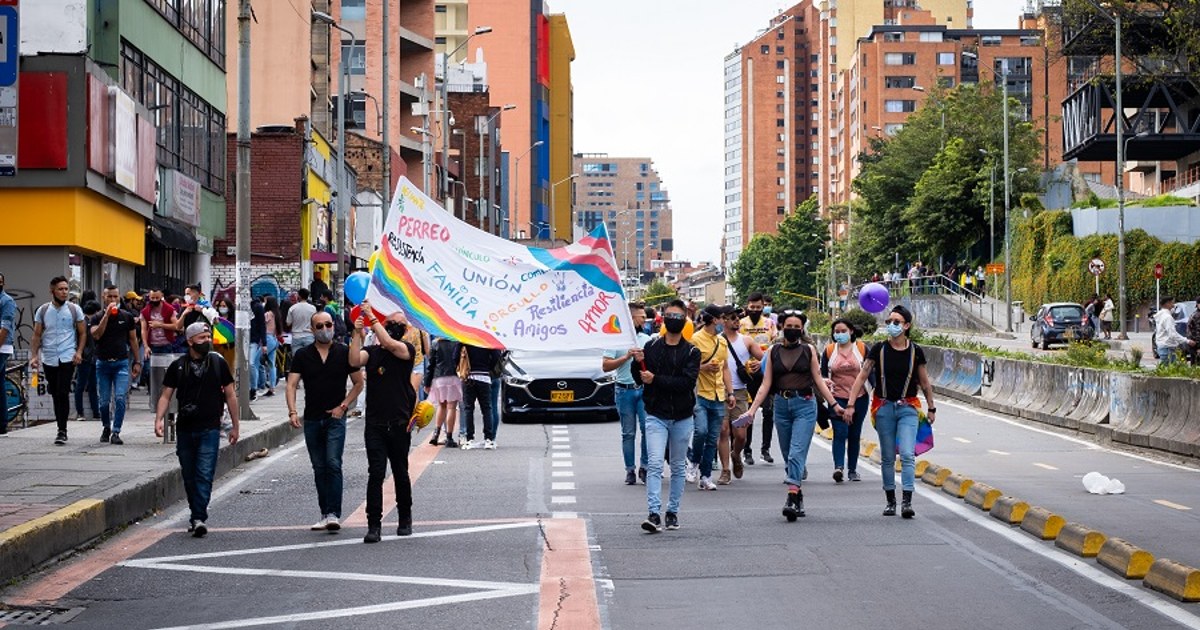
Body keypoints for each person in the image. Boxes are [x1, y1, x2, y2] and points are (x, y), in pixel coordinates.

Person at [738, 311, 841, 521]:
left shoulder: (808, 350)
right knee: (787, 454)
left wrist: (834, 404)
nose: (793, 329)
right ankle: (798, 490)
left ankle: (792, 497)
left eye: (797, 326)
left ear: (802, 329)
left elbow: (818, 380)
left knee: (796, 452)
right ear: (782, 327)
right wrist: (751, 410)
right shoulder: (773, 351)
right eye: (789, 325)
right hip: (781, 406)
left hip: (804, 404)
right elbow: (766, 384)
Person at [843, 305, 937, 519]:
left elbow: (924, 381)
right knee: (887, 457)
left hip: (909, 408)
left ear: (906, 326)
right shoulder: (879, 349)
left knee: (906, 454)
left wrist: (931, 407)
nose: (892, 326)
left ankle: (907, 500)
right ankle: (890, 500)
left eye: (896, 322)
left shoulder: (915, 351)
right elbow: (862, 375)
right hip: (884, 408)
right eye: (889, 322)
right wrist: (850, 404)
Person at [154, 322, 239, 537]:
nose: (206, 341)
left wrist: (235, 426)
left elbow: (230, 395)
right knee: (189, 475)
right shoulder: (178, 366)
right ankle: (196, 513)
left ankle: (199, 517)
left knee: (204, 473)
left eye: (208, 337)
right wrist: (159, 420)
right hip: (185, 429)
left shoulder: (218, 364)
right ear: (190, 341)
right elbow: (166, 395)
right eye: (202, 338)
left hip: (210, 428)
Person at [286, 310, 364, 532]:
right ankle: (324, 512)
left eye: (328, 325)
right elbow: (291, 384)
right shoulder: (302, 355)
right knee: (319, 467)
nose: (325, 330)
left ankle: (334, 514)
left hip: (335, 418)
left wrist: (344, 405)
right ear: (312, 330)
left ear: (333, 326)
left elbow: (359, 383)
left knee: (333, 463)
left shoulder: (344, 353)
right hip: (312, 418)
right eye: (319, 326)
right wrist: (292, 411)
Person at [349, 302, 416, 542]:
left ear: (405, 330)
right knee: (375, 473)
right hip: (375, 422)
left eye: (399, 324)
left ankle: (405, 518)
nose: (394, 327)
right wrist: (357, 333)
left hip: (399, 422)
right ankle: (373, 525)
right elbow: (355, 360)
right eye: (391, 323)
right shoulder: (373, 352)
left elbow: (389, 343)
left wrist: (372, 318)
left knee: (400, 471)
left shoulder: (406, 349)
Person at [637, 299, 700, 533]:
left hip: (683, 416)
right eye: (669, 315)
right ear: (663, 318)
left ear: (684, 320)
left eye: (678, 316)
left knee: (677, 466)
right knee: (654, 463)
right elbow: (641, 378)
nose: (674, 319)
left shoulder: (692, 351)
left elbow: (687, 383)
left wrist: (656, 379)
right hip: (656, 414)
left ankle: (672, 511)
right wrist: (637, 365)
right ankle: (654, 513)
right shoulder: (651, 348)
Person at [31, 277, 87, 446]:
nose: (64, 292)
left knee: (63, 391)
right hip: (48, 356)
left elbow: (83, 333)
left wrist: (79, 352)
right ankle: (60, 426)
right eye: (60, 289)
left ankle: (62, 430)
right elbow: (37, 335)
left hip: (67, 355)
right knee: (55, 393)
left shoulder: (74, 309)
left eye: (66, 289)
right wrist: (34, 356)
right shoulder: (43, 310)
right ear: (52, 291)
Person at [686, 304, 736, 491]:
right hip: (700, 393)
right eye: (723, 318)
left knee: (713, 437)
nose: (725, 322)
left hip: (718, 395)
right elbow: (687, 368)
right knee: (701, 431)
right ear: (714, 320)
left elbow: (725, 369)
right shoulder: (695, 340)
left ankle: (706, 476)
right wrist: (704, 368)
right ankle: (693, 461)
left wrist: (730, 393)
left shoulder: (722, 342)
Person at [603, 301, 652, 485]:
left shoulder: (647, 340)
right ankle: (629, 469)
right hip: (624, 390)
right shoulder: (616, 339)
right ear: (632, 318)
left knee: (648, 430)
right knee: (628, 433)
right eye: (642, 317)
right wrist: (626, 356)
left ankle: (645, 467)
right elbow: (605, 365)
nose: (645, 321)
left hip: (643, 390)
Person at [820, 318, 870, 483]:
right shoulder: (828, 351)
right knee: (840, 432)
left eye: (843, 331)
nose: (840, 335)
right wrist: (826, 384)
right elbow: (822, 375)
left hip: (860, 398)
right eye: (837, 332)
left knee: (854, 434)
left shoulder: (862, 349)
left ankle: (853, 470)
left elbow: (871, 373)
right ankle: (839, 467)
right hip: (836, 398)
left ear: (851, 331)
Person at [90, 286, 141, 444]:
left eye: (115, 297)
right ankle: (106, 427)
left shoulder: (126, 317)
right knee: (104, 401)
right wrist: (106, 315)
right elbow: (96, 334)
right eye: (109, 297)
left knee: (120, 398)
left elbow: (133, 340)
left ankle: (116, 431)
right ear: (104, 298)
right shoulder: (97, 317)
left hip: (121, 363)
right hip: (103, 363)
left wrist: (137, 361)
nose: (113, 300)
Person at [720, 307, 763, 484]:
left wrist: (759, 364)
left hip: (740, 393)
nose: (737, 321)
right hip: (718, 391)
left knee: (741, 435)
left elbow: (766, 357)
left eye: (738, 318)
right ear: (723, 320)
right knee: (723, 431)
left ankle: (736, 454)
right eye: (732, 318)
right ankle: (725, 470)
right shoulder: (716, 341)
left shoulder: (746, 341)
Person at [739, 293, 777, 465]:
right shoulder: (740, 324)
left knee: (769, 411)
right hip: (746, 374)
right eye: (752, 307)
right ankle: (747, 450)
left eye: (758, 307)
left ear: (763, 306)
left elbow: (774, 347)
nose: (755, 310)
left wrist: (762, 362)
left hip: (765, 372)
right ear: (747, 306)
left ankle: (765, 449)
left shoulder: (770, 324)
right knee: (748, 412)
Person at [460, 343, 502, 450]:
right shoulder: (485, 338)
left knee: (468, 409)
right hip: (484, 376)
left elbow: (455, 355)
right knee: (487, 408)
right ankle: (488, 438)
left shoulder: (465, 337)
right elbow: (497, 356)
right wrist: (488, 367)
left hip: (468, 375)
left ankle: (470, 439)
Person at [423, 336, 463, 448]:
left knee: (441, 406)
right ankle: (449, 437)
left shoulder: (436, 343)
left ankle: (436, 434)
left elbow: (431, 365)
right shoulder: (458, 342)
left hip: (439, 377)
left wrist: (427, 382)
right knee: (451, 407)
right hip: (454, 377)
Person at [74, 301, 102, 423]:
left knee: (82, 386)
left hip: (87, 358)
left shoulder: (82, 322)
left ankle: (83, 412)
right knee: (90, 386)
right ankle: (93, 412)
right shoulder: (89, 323)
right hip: (88, 358)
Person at [1153, 296, 1193, 365]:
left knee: (1166, 370)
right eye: (1172, 303)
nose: (1173, 305)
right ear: (1167, 304)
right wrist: (1187, 341)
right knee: (1168, 371)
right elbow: (1172, 334)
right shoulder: (1167, 317)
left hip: (1163, 347)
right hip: (1168, 348)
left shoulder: (1161, 315)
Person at [140, 288, 179, 359]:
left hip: (166, 344)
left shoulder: (169, 309)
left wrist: (160, 325)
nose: (154, 300)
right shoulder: (145, 311)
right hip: (151, 345)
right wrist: (146, 346)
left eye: (157, 298)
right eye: (152, 298)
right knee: (149, 368)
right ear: (149, 297)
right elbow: (143, 330)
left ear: (161, 296)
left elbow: (177, 326)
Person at [260, 296, 283, 396]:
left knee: (256, 361)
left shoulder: (268, 314)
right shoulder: (276, 314)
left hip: (267, 339)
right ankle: (272, 387)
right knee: (271, 364)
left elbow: (260, 324)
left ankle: (261, 384)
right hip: (274, 339)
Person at [286, 288, 318, 354]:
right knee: (310, 359)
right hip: (309, 336)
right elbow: (315, 322)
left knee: (297, 360)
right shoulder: (313, 308)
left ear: (299, 296)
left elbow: (288, 323)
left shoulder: (293, 308)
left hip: (296, 336)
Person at [248, 295, 266, 400]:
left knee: (251, 363)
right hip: (240, 340)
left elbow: (262, 325)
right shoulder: (238, 306)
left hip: (253, 340)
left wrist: (264, 343)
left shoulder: (257, 307)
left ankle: (253, 389)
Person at [0, 273, 12, 435]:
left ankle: (2, 423)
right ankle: (2, 423)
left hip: (2, 348)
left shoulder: (6, 301)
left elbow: (5, 327)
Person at [1188, 296, 1200, 366]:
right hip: (1195, 345)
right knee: (1195, 366)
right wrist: (1198, 347)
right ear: (1197, 304)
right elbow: (1191, 332)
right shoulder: (1195, 315)